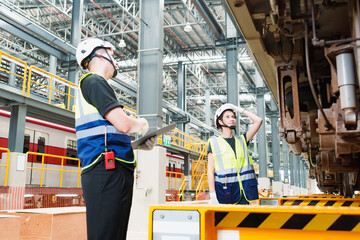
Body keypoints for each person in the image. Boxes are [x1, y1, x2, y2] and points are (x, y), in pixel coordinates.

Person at [75, 38, 156, 240]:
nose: (115, 60)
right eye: (112, 53)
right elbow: (124, 124)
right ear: (98, 53)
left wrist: (136, 145)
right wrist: (142, 124)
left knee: (113, 234)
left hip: (111, 168)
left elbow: (108, 132)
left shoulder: (98, 85)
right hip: (105, 170)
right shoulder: (94, 81)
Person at [207, 103, 263, 205]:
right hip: (226, 192)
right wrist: (212, 194)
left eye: (233, 117)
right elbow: (210, 171)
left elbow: (258, 121)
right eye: (227, 117)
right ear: (220, 121)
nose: (232, 119)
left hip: (247, 192)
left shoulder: (242, 140)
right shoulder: (213, 143)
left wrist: (240, 110)